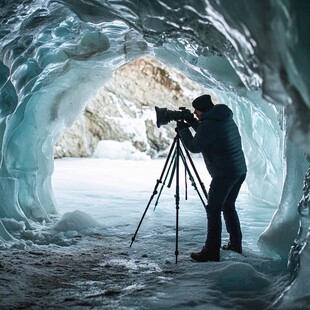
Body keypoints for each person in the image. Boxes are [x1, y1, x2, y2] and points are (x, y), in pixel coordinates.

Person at [177, 94, 247, 262]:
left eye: (196, 111)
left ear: (202, 110)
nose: (194, 114)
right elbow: (207, 132)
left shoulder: (209, 125)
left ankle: (211, 251)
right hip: (239, 170)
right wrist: (193, 124)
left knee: (213, 209)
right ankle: (235, 244)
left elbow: (195, 146)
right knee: (228, 205)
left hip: (224, 174)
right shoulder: (223, 117)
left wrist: (183, 130)